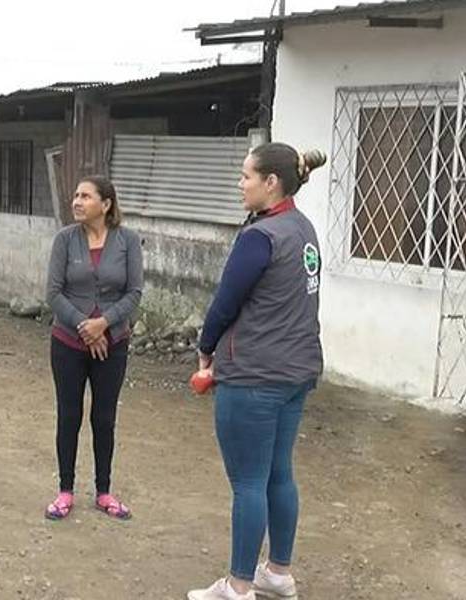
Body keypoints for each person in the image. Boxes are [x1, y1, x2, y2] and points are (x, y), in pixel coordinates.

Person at [187, 144, 326, 600]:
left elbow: (225, 303)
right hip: (295, 373)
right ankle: (278, 573)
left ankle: (239, 586)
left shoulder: (260, 237)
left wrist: (206, 350)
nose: (239, 182)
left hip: (254, 376)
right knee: (278, 474)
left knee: (248, 481)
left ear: (271, 182)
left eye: (246, 175)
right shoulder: (301, 227)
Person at [44, 175, 143, 521]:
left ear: (106, 204)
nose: (77, 201)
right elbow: (53, 292)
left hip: (113, 344)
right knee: (69, 415)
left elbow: (134, 292)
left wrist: (105, 324)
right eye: (76, 195)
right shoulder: (65, 240)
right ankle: (65, 490)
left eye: (85, 196)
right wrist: (86, 326)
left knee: (104, 417)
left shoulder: (128, 241)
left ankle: (104, 491)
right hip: (68, 342)